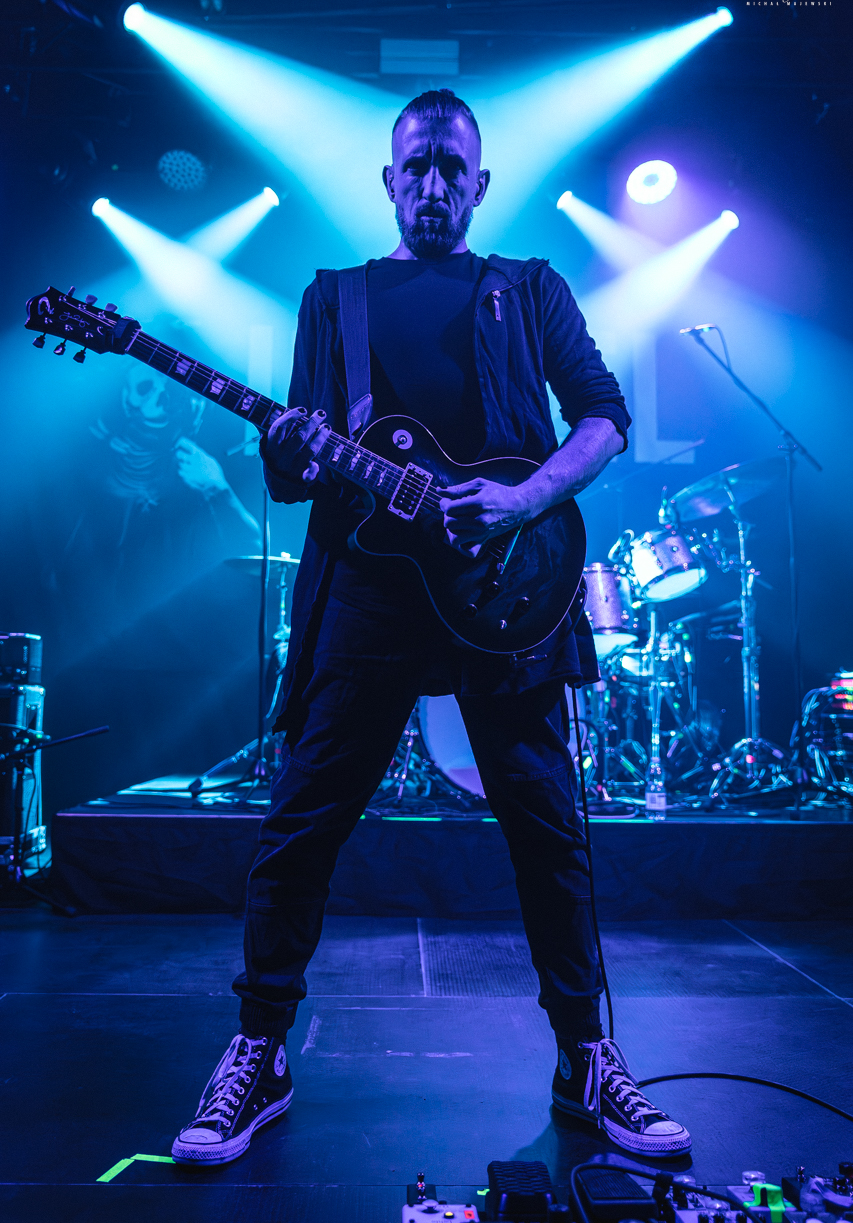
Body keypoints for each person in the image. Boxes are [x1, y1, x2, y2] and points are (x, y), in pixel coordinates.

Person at [171, 90, 691, 1165]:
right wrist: (291, 449)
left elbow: (603, 417)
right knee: (301, 822)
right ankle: (258, 1052)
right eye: (416, 166)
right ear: (388, 179)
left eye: (453, 166)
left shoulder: (528, 288)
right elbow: (294, 469)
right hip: (368, 591)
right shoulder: (337, 299)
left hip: (507, 586)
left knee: (548, 828)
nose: (434, 183)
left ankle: (586, 1055)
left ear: (481, 182)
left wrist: (519, 499)